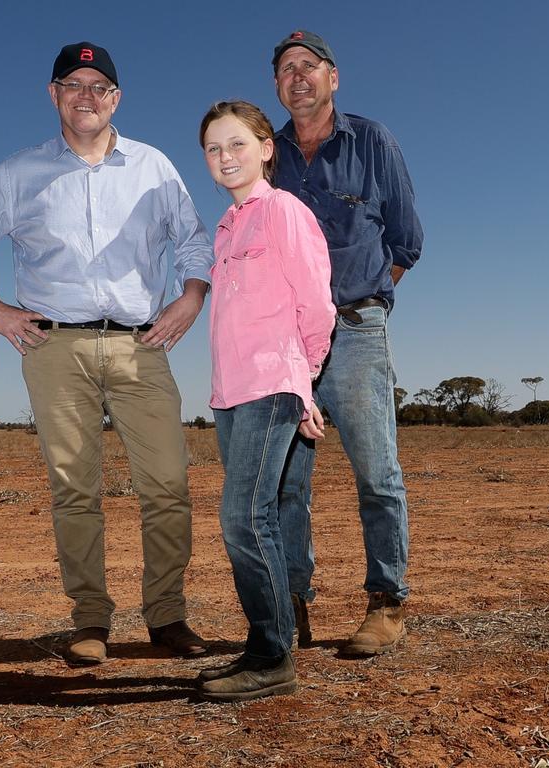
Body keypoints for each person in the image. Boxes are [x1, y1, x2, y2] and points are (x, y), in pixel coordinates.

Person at [0, 42, 214, 667]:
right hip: (53, 346)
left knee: (168, 484)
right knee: (75, 489)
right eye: (73, 84)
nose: (86, 96)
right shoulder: (20, 172)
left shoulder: (153, 166)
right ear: (54, 95)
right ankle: (91, 620)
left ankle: (167, 615)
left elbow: (191, 240)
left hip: (141, 345)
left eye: (99, 86)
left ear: (116, 99)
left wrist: (191, 297)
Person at [270, 30, 423, 656]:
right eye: (285, 69)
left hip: (356, 329)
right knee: (285, 480)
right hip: (282, 339)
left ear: (334, 77)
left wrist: (360, 304)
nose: (298, 76)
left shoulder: (373, 141)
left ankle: (386, 604)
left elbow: (406, 240)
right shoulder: (266, 152)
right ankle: (294, 606)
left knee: (377, 473)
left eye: (310, 65)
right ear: (276, 86)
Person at [195, 102, 334, 701]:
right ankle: (263, 644)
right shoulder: (227, 228)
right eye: (213, 149)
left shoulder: (283, 211)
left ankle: (275, 655)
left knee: (243, 518)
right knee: (260, 516)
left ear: (265, 148)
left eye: (237, 145)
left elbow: (317, 305)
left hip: (272, 384)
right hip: (231, 393)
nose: (225, 158)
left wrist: (303, 381)